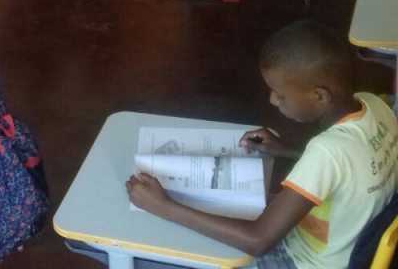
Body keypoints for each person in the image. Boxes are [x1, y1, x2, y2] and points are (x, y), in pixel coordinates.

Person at [126, 20, 398, 268]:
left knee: (159, 252)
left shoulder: (326, 152)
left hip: (300, 262)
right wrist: (286, 150)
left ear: (320, 96)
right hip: (342, 246)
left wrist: (164, 207)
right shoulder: (375, 105)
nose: (272, 100)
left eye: (280, 94)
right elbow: (351, 166)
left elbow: (258, 241)